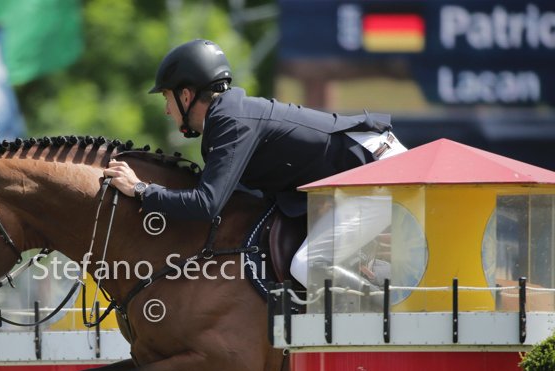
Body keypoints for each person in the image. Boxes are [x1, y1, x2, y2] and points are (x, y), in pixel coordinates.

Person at [103, 39, 406, 275]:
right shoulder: (228, 118)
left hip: (377, 172)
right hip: (364, 173)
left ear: (186, 95)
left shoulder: (231, 121)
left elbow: (206, 204)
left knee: (306, 267)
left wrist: (140, 189)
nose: (167, 110)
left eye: (167, 98)